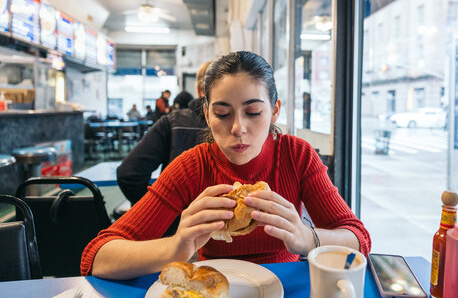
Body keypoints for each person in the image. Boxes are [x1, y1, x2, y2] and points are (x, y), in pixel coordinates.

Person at [81, 51, 371, 279]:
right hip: (215, 285)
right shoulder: (192, 166)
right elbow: (95, 257)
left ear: (274, 111)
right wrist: (176, 246)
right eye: (222, 113)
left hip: (288, 284)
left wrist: (307, 237)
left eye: (254, 112)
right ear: (206, 114)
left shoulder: (297, 156)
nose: (238, 129)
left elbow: (359, 239)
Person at [117, 62, 210, 206]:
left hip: (177, 221)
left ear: (198, 90)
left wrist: (163, 213)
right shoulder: (246, 127)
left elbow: (128, 174)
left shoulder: (173, 121)